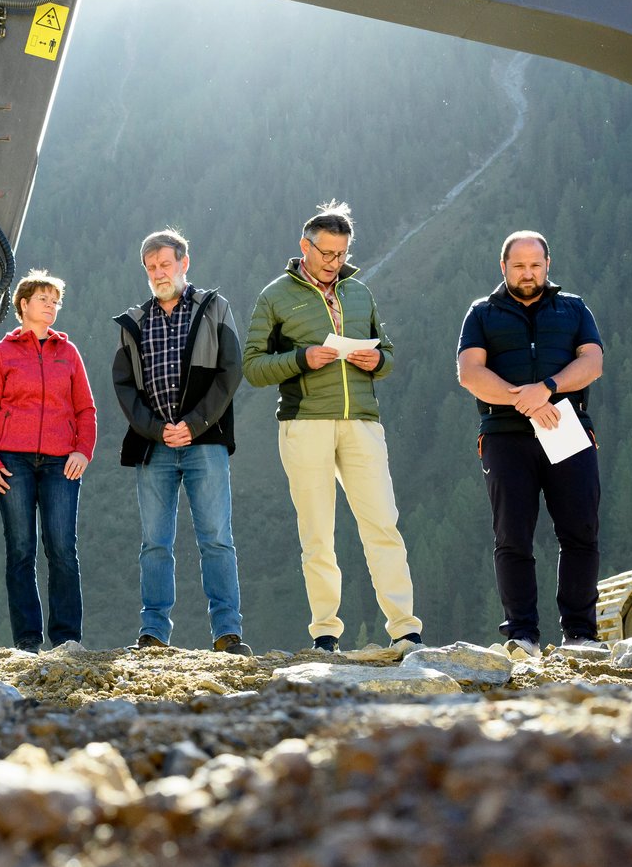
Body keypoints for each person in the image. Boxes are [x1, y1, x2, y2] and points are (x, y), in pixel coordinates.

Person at [244, 201, 422, 654]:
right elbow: (253, 367)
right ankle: (325, 634)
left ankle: (405, 629)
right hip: (304, 424)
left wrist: (376, 359)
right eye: (326, 253)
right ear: (305, 247)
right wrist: (302, 358)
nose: (334, 262)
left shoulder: (360, 293)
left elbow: (390, 354)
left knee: (383, 523)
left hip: (362, 422)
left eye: (341, 254)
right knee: (318, 533)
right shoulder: (274, 296)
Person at [455, 231, 606, 661]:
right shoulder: (481, 313)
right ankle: (522, 635)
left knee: (581, 531)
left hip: (568, 429)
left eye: (535, 265)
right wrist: (527, 401)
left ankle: (581, 634)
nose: (527, 273)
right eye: (519, 265)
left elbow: (592, 362)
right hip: (504, 435)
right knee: (513, 536)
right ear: (502, 267)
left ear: (547, 264)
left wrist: (548, 388)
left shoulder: (573, 308)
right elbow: (470, 373)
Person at [112, 229, 250, 655]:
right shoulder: (135, 322)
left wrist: (195, 423)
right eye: (151, 268)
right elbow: (124, 387)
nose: (158, 273)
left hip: (205, 442)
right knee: (155, 543)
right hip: (154, 448)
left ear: (184, 263)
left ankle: (227, 634)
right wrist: (157, 429)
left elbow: (231, 371)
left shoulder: (214, 308)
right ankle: (153, 634)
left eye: (165, 264)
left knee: (216, 538)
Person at [0, 270, 97, 650]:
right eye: (44, 299)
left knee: (62, 547)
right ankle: (27, 640)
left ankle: (66, 639)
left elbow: (86, 409)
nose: (51, 306)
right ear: (24, 305)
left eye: (55, 300)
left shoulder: (69, 352)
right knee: (21, 549)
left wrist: (83, 450)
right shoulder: (2, 352)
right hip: (13, 461)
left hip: (63, 462)